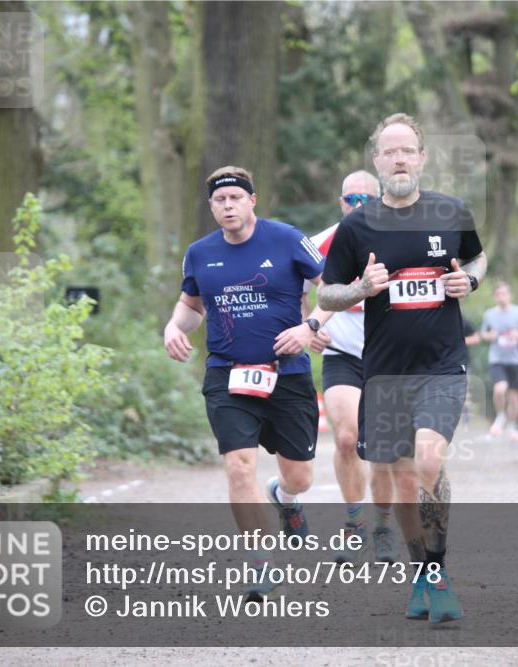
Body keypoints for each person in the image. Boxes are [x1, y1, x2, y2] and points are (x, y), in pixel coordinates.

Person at [318, 113, 488, 625]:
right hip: (385, 373)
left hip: (441, 365)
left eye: (406, 150)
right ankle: (424, 572)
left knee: (429, 464)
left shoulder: (450, 212)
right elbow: (327, 292)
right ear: (377, 161)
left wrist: (469, 283)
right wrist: (361, 289)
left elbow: (477, 260)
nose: (398, 159)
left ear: (422, 157)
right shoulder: (357, 226)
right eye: (388, 151)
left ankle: (436, 574)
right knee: (404, 480)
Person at [163, 165, 329, 602]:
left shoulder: (288, 238)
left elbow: (330, 289)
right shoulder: (199, 253)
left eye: (236, 197)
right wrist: (173, 327)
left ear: (252, 200)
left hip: (287, 374)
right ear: (212, 207)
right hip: (227, 373)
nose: (228, 205)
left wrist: (309, 326)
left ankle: (286, 498)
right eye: (219, 200)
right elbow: (192, 306)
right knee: (238, 465)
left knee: (301, 477)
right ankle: (260, 564)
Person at [305, 170, 398, 564]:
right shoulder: (319, 242)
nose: (357, 207)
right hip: (341, 351)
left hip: (388, 353)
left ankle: (383, 526)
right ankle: (355, 522)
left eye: (366, 200)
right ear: (341, 202)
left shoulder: (399, 237)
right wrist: (308, 327)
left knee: (382, 447)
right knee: (346, 438)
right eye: (350, 200)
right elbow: (290, 287)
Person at [480, 282, 518, 441]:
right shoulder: (489, 314)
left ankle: (512, 427)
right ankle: (500, 416)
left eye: (504, 293)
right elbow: (483, 334)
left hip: (516, 360)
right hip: (497, 359)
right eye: (499, 294)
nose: (502, 297)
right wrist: (491, 336)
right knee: (500, 389)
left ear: (510, 295)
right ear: (495, 296)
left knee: (514, 397)